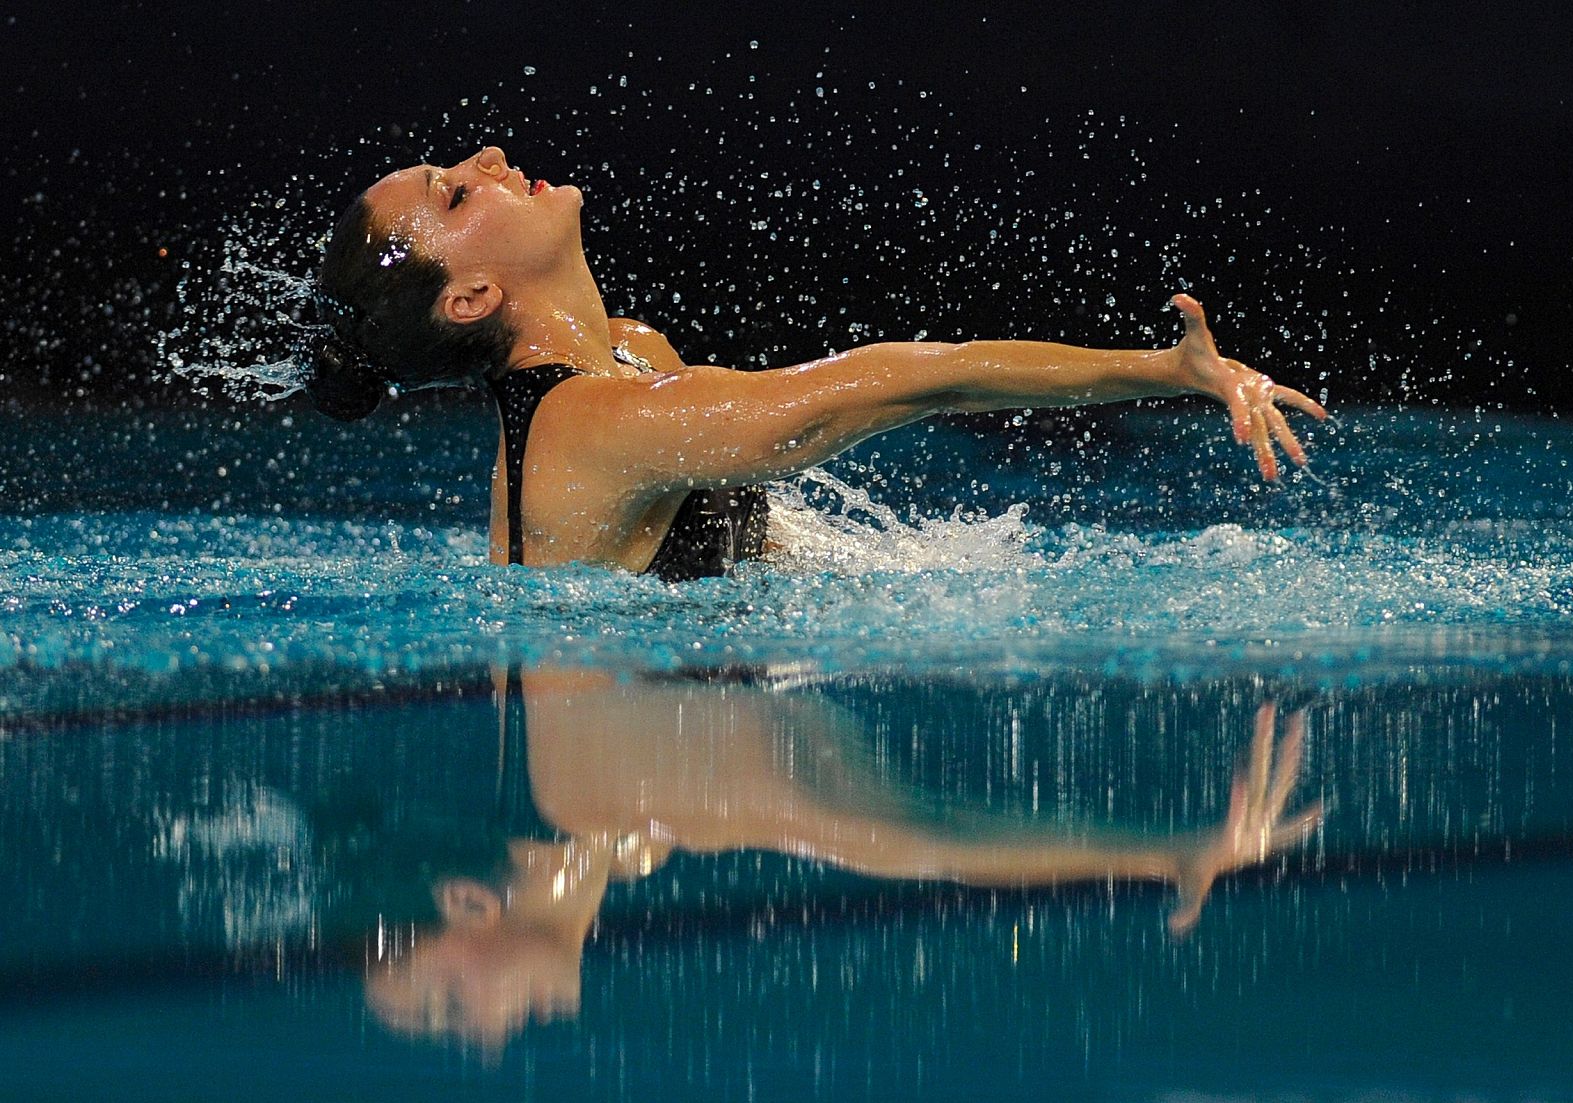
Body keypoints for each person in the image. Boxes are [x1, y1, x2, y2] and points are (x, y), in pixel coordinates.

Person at [305, 146, 1327, 581]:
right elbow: (902, 375)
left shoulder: (631, 363)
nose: (486, 161)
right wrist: (1165, 368)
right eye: (453, 197)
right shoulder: (589, 426)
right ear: (471, 298)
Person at [363, 669, 1321, 1047]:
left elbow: (924, 845)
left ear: (470, 904)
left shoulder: (590, 801)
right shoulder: (631, 840)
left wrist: (1167, 854)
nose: (481, 1040)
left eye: (446, 1000)